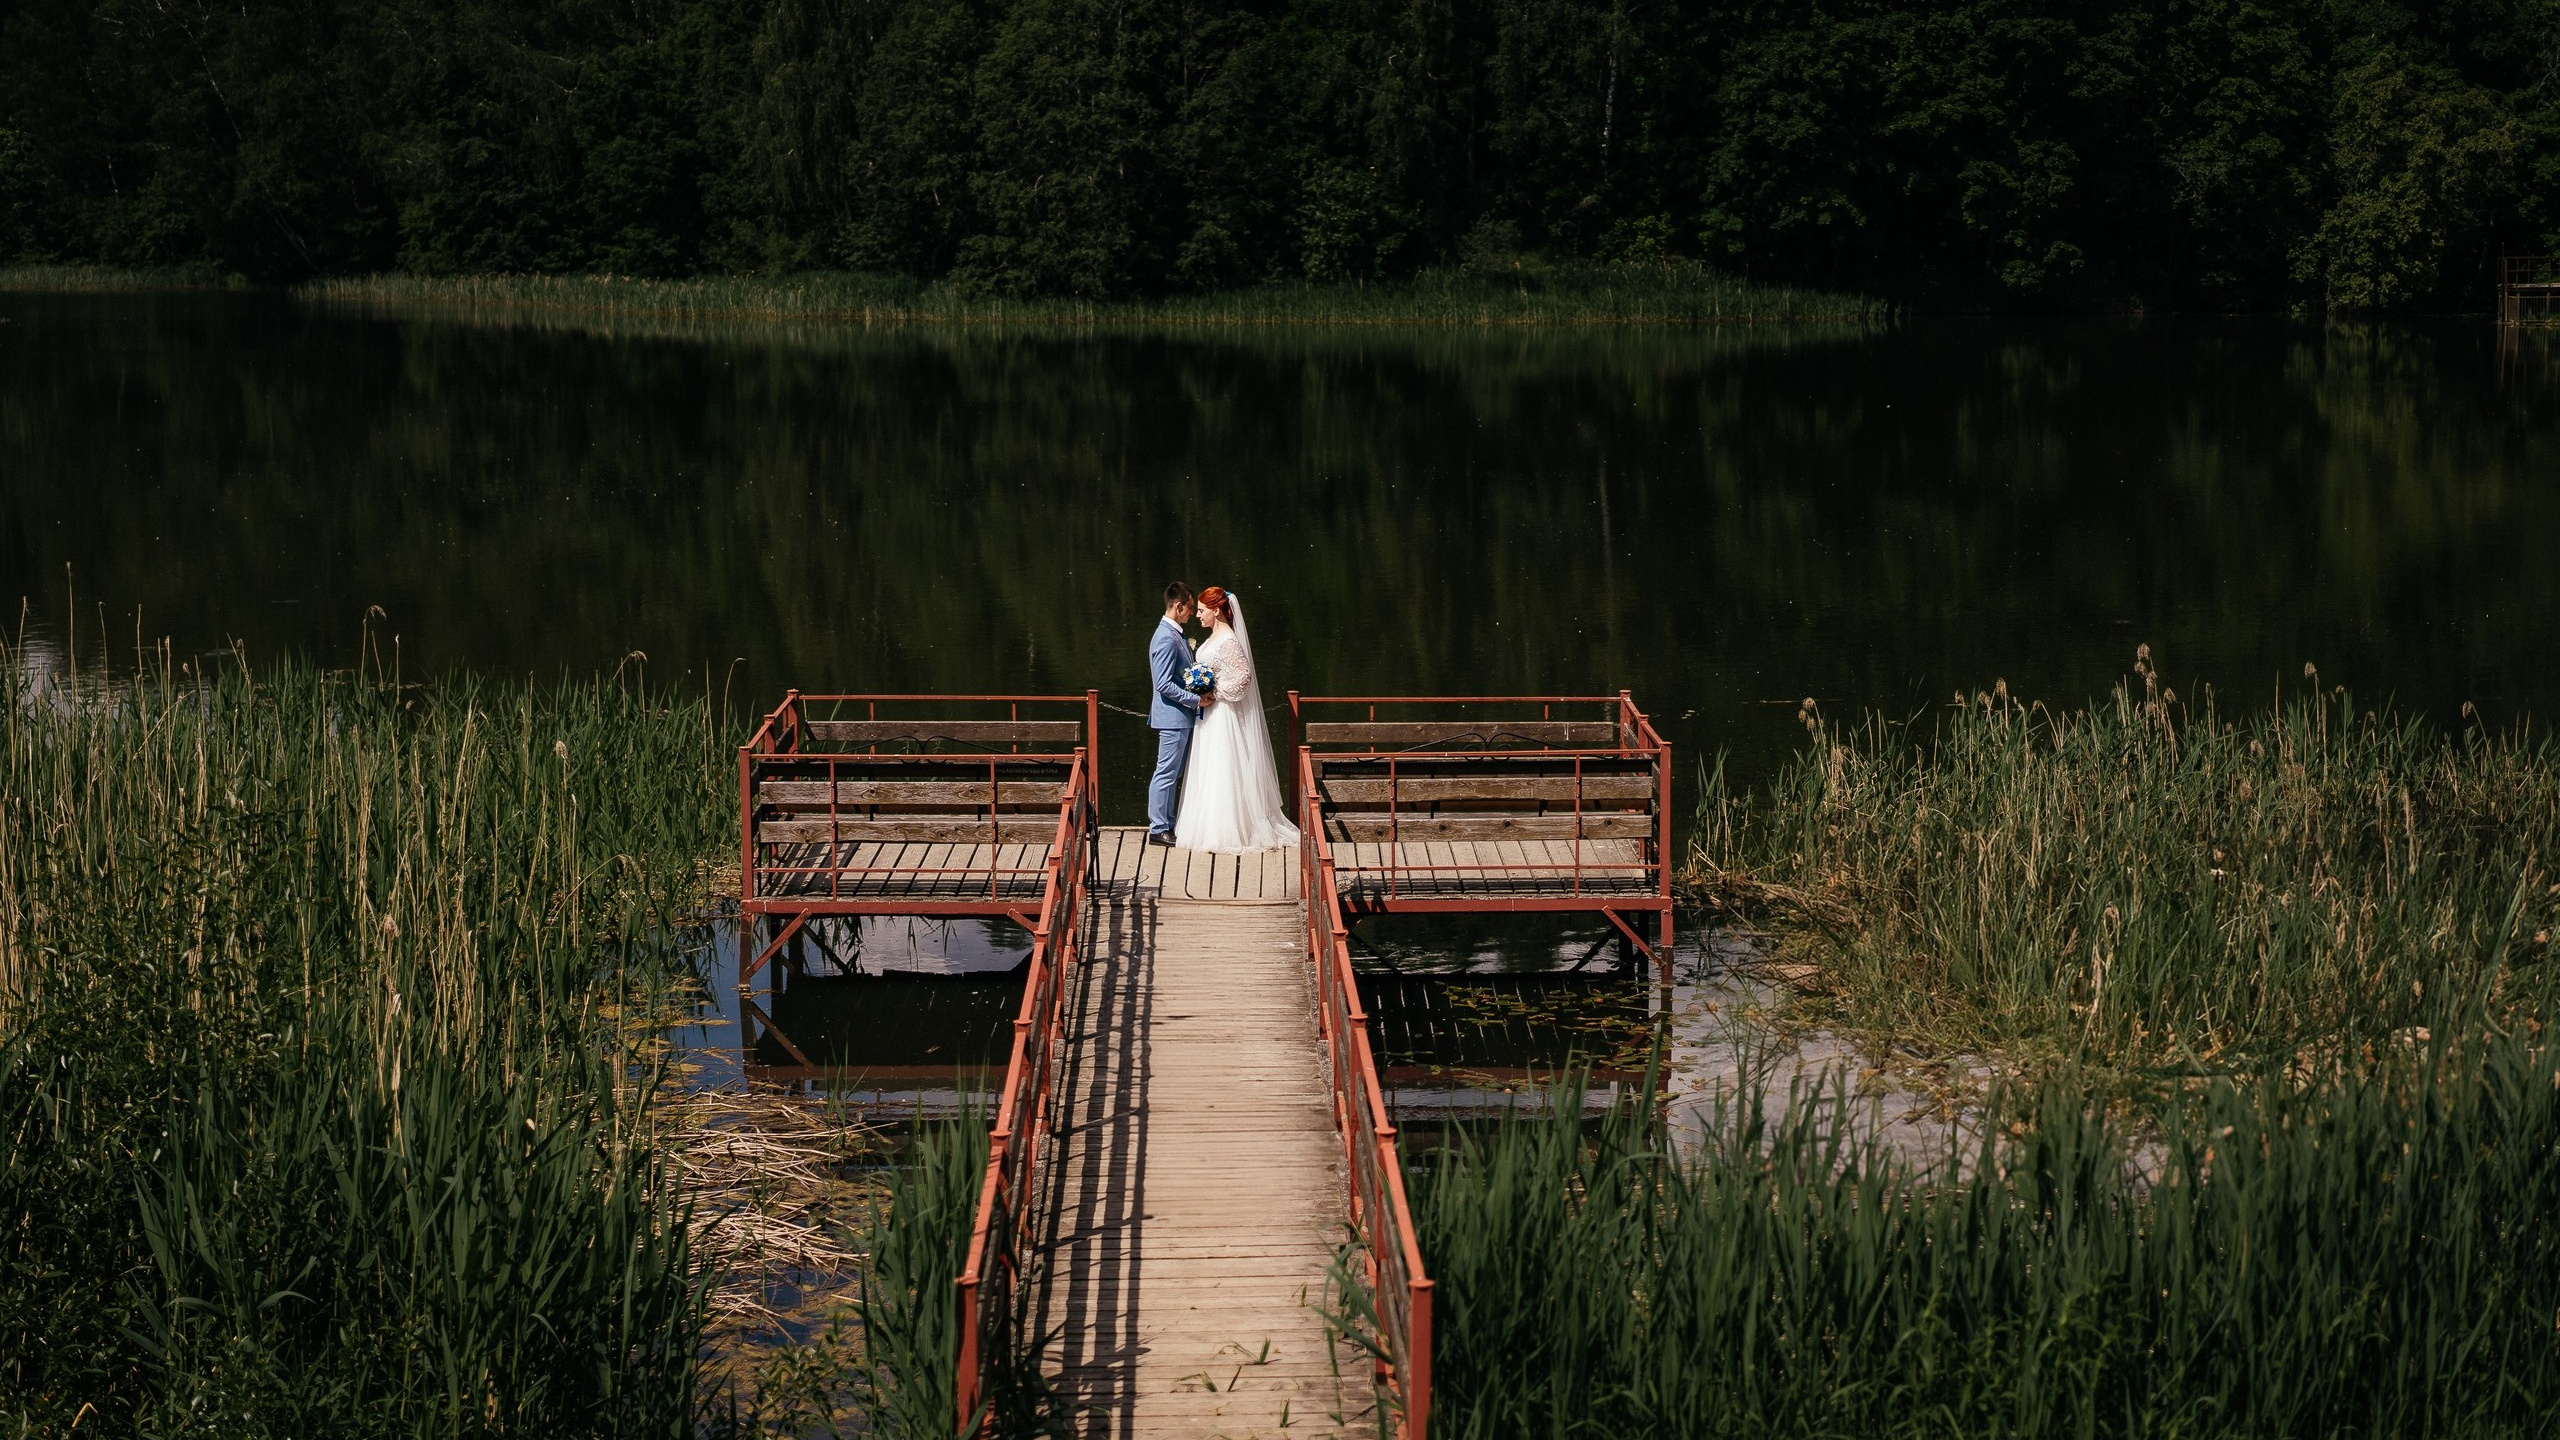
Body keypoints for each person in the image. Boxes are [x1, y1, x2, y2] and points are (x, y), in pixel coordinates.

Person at [1173, 586, 1302, 853]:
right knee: (1210, 766)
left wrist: (1216, 692)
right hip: (1209, 713)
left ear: (1217, 611)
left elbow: (1244, 676)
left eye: (1202, 611)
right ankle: (1208, 826)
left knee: (1224, 764)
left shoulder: (1228, 640)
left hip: (1224, 714)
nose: (1198, 615)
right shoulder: (1213, 637)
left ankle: (1231, 829)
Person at [1145, 582, 1200, 845]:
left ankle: (1167, 823)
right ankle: (1158, 828)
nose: (1192, 612)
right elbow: (1163, 684)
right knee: (1166, 772)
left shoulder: (1174, 634)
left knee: (1173, 773)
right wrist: (1196, 700)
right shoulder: (1166, 637)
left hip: (1180, 717)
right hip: (1172, 718)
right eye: (1190, 607)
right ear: (1178, 606)